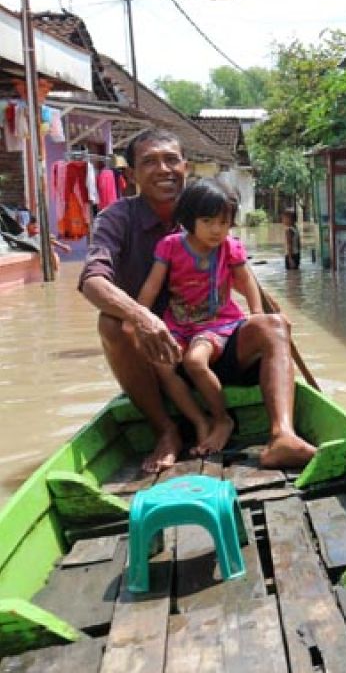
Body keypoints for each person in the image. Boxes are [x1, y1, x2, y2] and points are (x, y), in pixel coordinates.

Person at [79, 128, 317, 472]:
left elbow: (237, 270)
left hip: (215, 339)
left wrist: (263, 311)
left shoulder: (206, 205)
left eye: (171, 160)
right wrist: (143, 318)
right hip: (161, 354)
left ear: (185, 167)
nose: (163, 169)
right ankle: (166, 430)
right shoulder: (116, 220)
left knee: (273, 325)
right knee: (113, 323)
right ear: (130, 175)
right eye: (149, 162)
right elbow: (92, 280)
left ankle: (282, 435)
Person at [136, 180, 260, 456]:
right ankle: (199, 420)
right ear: (189, 218)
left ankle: (222, 419)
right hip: (178, 323)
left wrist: (257, 315)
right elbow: (152, 286)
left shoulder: (230, 247)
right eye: (207, 221)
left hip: (218, 322)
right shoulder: (170, 246)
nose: (217, 230)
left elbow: (247, 282)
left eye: (224, 222)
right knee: (162, 363)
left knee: (194, 361)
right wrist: (137, 318)